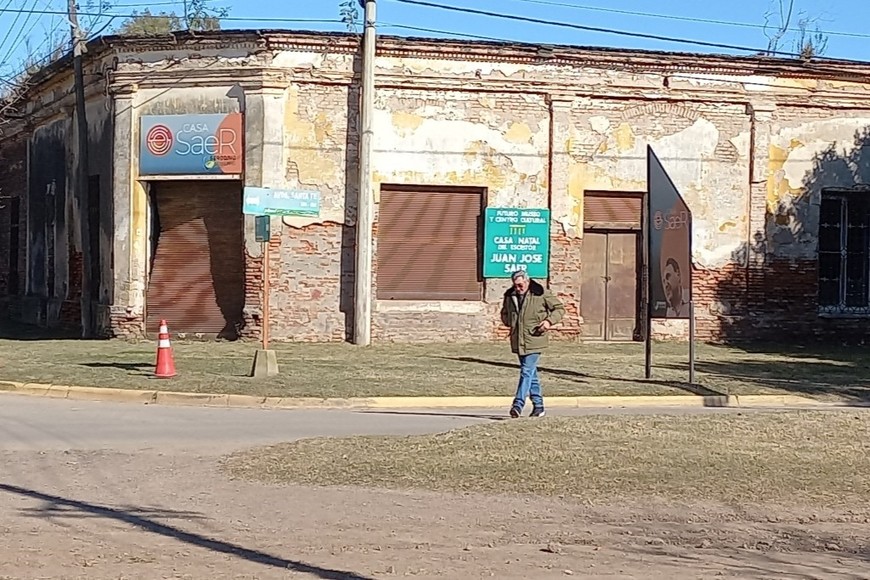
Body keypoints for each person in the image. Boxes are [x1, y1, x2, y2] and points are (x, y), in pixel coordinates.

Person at [500, 269, 566, 418]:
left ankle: (518, 404)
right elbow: (505, 313)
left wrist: (548, 321)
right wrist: (509, 322)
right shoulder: (510, 295)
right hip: (519, 340)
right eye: (516, 285)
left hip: (535, 338)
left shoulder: (541, 293)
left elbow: (559, 309)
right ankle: (538, 406)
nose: (518, 288)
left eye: (521, 285)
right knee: (531, 373)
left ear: (527, 281)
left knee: (526, 371)